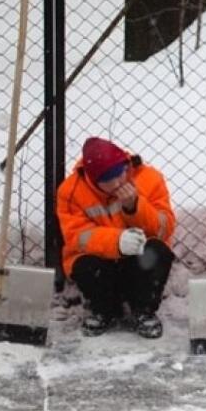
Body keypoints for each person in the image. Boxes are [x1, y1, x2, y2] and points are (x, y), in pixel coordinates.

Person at [57, 137, 176, 338]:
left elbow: (165, 228)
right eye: (107, 179)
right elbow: (77, 236)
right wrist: (117, 242)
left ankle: (144, 310)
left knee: (157, 251)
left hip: (137, 262)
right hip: (101, 262)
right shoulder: (70, 191)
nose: (118, 181)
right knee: (85, 265)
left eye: (120, 171)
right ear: (93, 179)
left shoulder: (150, 178)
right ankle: (104, 310)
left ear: (125, 164)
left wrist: (134, 207)